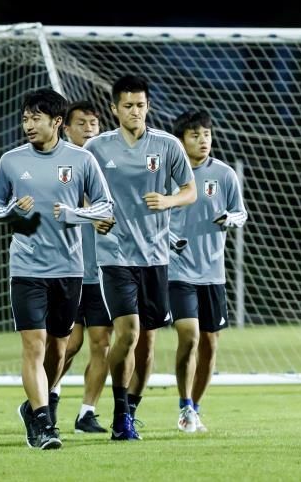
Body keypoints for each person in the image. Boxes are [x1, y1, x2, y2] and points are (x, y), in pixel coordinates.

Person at [0, 89, 113, 450]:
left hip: (70, 268)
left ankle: (33, 407)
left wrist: (76, 214)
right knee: (34, 345)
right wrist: (12, 208)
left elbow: (104, 205)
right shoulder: (11, 161)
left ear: (56, 122)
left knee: (59, 349)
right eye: (25, 118)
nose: (28, 124)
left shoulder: (82, 160)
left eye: (35, 118)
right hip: (26, 267)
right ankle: (43, 422)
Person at [83, 75, 197, 441]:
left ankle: (131, 410)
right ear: (115, 108)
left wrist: (168, 200)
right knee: (128, 333)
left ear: (148, 106)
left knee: (146, 345)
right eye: (128, 105)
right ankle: (118, 413)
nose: (135, 111)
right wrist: (93, 214)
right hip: (115, 255)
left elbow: (190, 191)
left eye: (141, 105)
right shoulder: (97, 148)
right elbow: (80, 193)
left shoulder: (167, 146)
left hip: (155, 257)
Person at [168, 110, 247, 433]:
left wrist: (230, 218)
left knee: (210, 344)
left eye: (206, 135)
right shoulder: (169, 176)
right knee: (190, 335)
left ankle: (193, 408)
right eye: (195, 135)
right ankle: (184, 403)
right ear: (181, 140)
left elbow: (240, 213)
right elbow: (152, 215)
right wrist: (171, 240)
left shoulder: (225, 174)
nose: (203, 141)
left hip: (213, 273)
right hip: (178, 271)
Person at [47, 101, 113, 434]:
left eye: (94, 123)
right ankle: (48, 397)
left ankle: (87, 412)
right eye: (82, 123)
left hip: (103, 271)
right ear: (66, 128)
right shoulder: (58, 164)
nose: (89, 129)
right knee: (69, 344)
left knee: (101, 342)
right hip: (68, 269)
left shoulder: (107, 166)